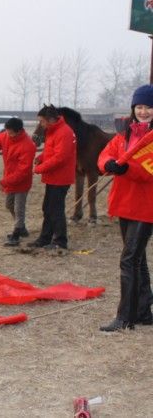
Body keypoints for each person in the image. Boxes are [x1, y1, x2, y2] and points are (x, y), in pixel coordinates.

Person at [98, 84, 153, 331]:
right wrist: (108, 163)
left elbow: (147, 172)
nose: (143, 111)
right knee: (137, 259)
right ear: (133, 108)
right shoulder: (124, 134)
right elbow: (105, 154)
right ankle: (143, 311)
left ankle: (124, 317)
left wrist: (127, 169)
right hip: (123, 202)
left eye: (148, 107)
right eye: (139, 107)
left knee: (128, 260)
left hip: (146, 206)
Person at [0, 118, 37, 247]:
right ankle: (21, 227)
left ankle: (16, 234)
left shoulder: (28, 145)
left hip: (22, 182)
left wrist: (4, 182)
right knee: (9, 205)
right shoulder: (6, 135)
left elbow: (23, 172)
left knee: (19, 208)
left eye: (10, 132)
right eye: (7, 131)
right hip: (10, 179)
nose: (8, 134)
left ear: (18, 132)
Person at [27, 107, 76, 250]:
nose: (41, 124)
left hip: (60, 178)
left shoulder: (65, 132)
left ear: (51, 119)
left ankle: (60, 241)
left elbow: (60, 157)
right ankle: (45, 238)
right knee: (47, 208)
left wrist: (40, 168)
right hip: (52, 177)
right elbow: (52, 151)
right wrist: (41, 157)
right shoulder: (54, 131)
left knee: (55, 209)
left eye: (42, 121)